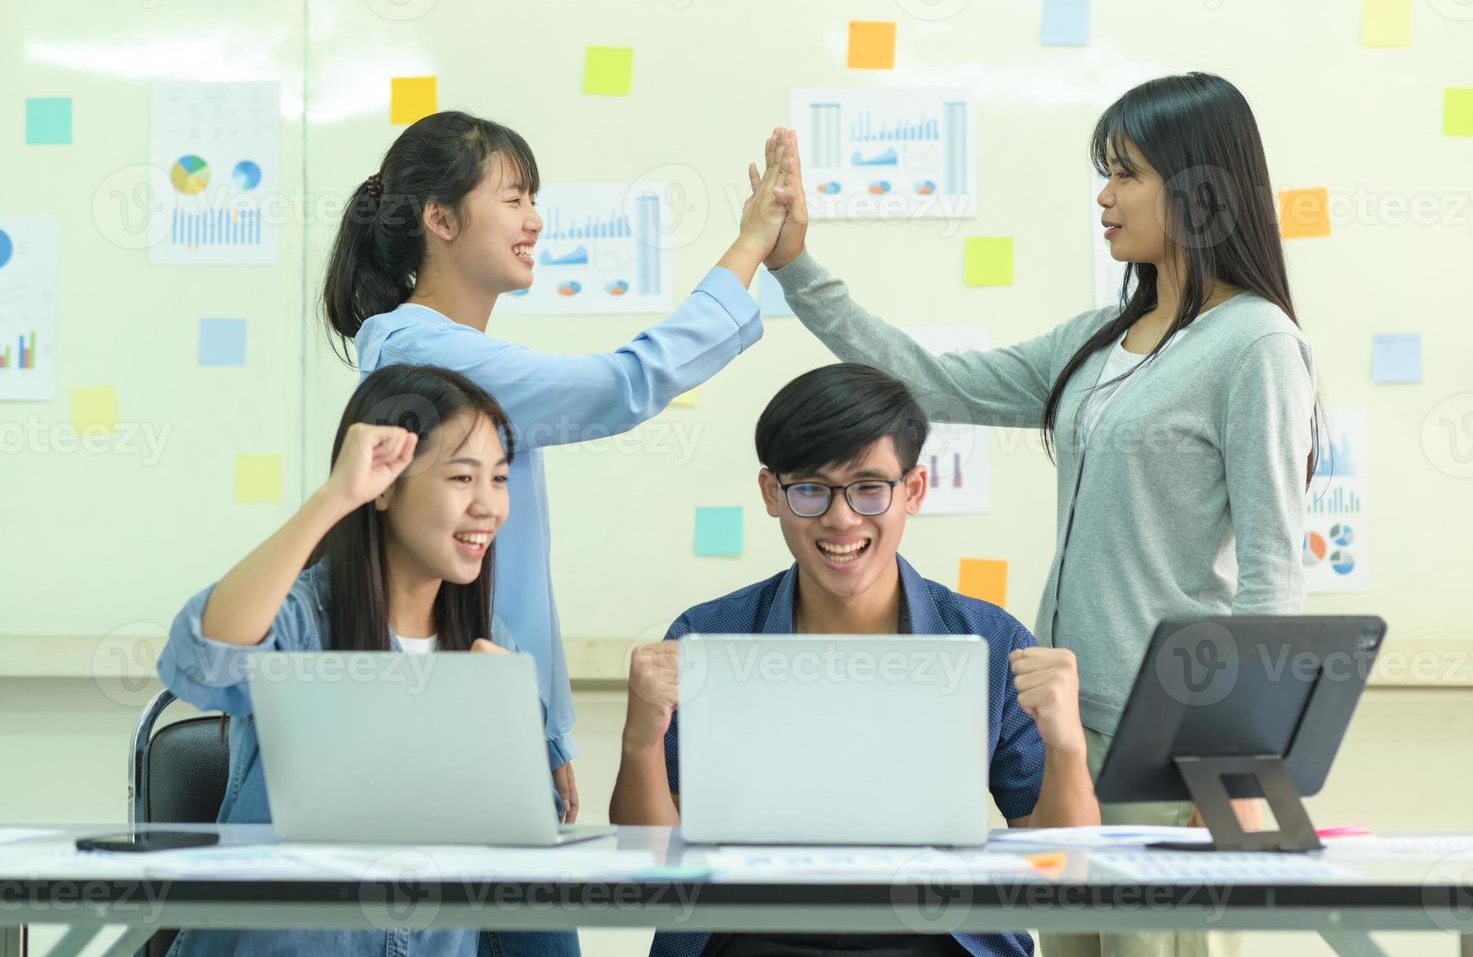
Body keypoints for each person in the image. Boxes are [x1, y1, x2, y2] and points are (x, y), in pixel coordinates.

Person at [760, 73, 1320, 957]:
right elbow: (928, 379)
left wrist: (1240, 758)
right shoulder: (1097, 340)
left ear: (1198, 187)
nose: (1104, 195)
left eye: (1125, 172)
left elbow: (1273, 564)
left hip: (1173, 741)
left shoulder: (1256, 344)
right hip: (1063, 728)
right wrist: (796, 269)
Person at [321, 112, 795, 819]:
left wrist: (548, 728)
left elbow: (516, 578)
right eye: (513, 198)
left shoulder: (452, 351)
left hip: (500, 707)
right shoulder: (428, 356)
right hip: (463, 719)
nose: (535, 220)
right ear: (440, 220)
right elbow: (621, 385)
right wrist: (752, 242)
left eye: (533, 200)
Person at [610, 363, 1099, 957]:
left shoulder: (989, 639)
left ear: (912, 491)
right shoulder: (708, 636)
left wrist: (1069, 747)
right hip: (751, 933)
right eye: (811, 489)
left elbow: (1061, 872)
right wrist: (640, 740)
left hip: (935, 934)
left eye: (869, 487)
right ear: (772, 493)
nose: (841, 519)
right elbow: (652, 868)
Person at [157, 363, 576, 957]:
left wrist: (501, 731)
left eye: (500, 479)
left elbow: (525, 854)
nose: (489, 506)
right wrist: (333, 497)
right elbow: (202, 661)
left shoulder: (492, 646)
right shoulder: (305, 619)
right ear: (384, 487)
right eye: (462, 478)